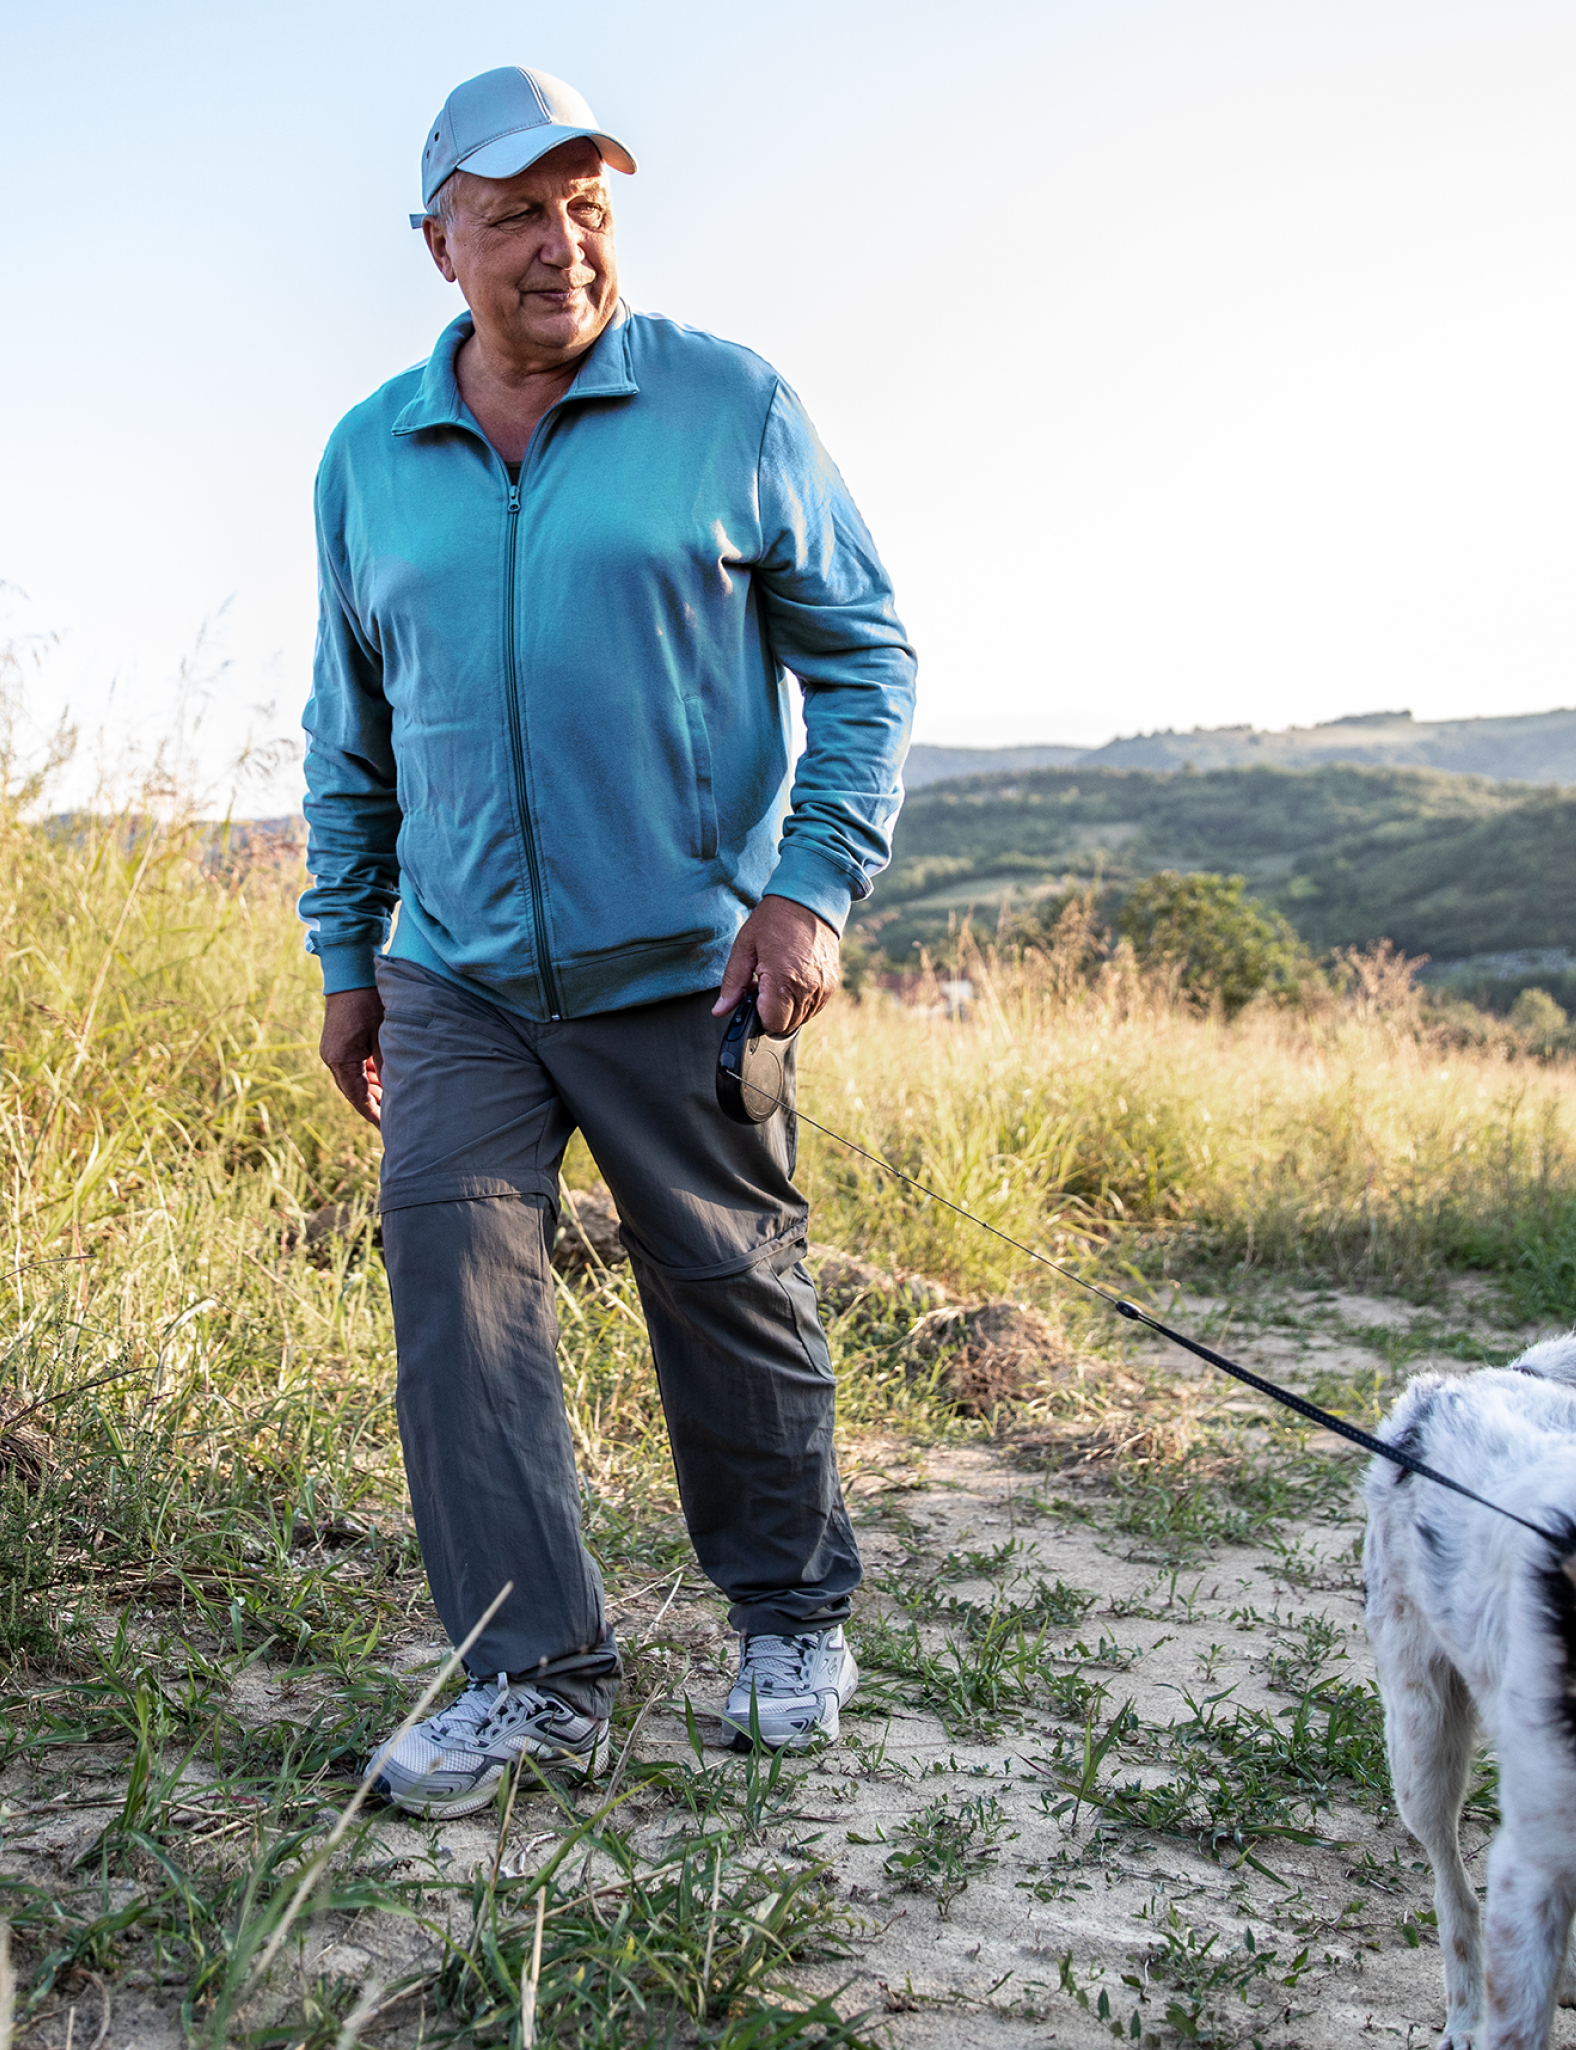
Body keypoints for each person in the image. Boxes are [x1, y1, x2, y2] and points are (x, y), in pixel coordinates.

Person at [300, 65, 915, 1818]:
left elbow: (865, 655)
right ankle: (535, 1679)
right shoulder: (367, 457)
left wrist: (810, 886)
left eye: (588, 207)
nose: (561, 244)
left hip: (688, 964)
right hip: (457, 974)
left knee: (729, 1291)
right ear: (441, 244)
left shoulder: (730, 405)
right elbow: (349, 732)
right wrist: (347, 956)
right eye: (516, 214)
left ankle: (788, 1616)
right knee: (460, 1310)